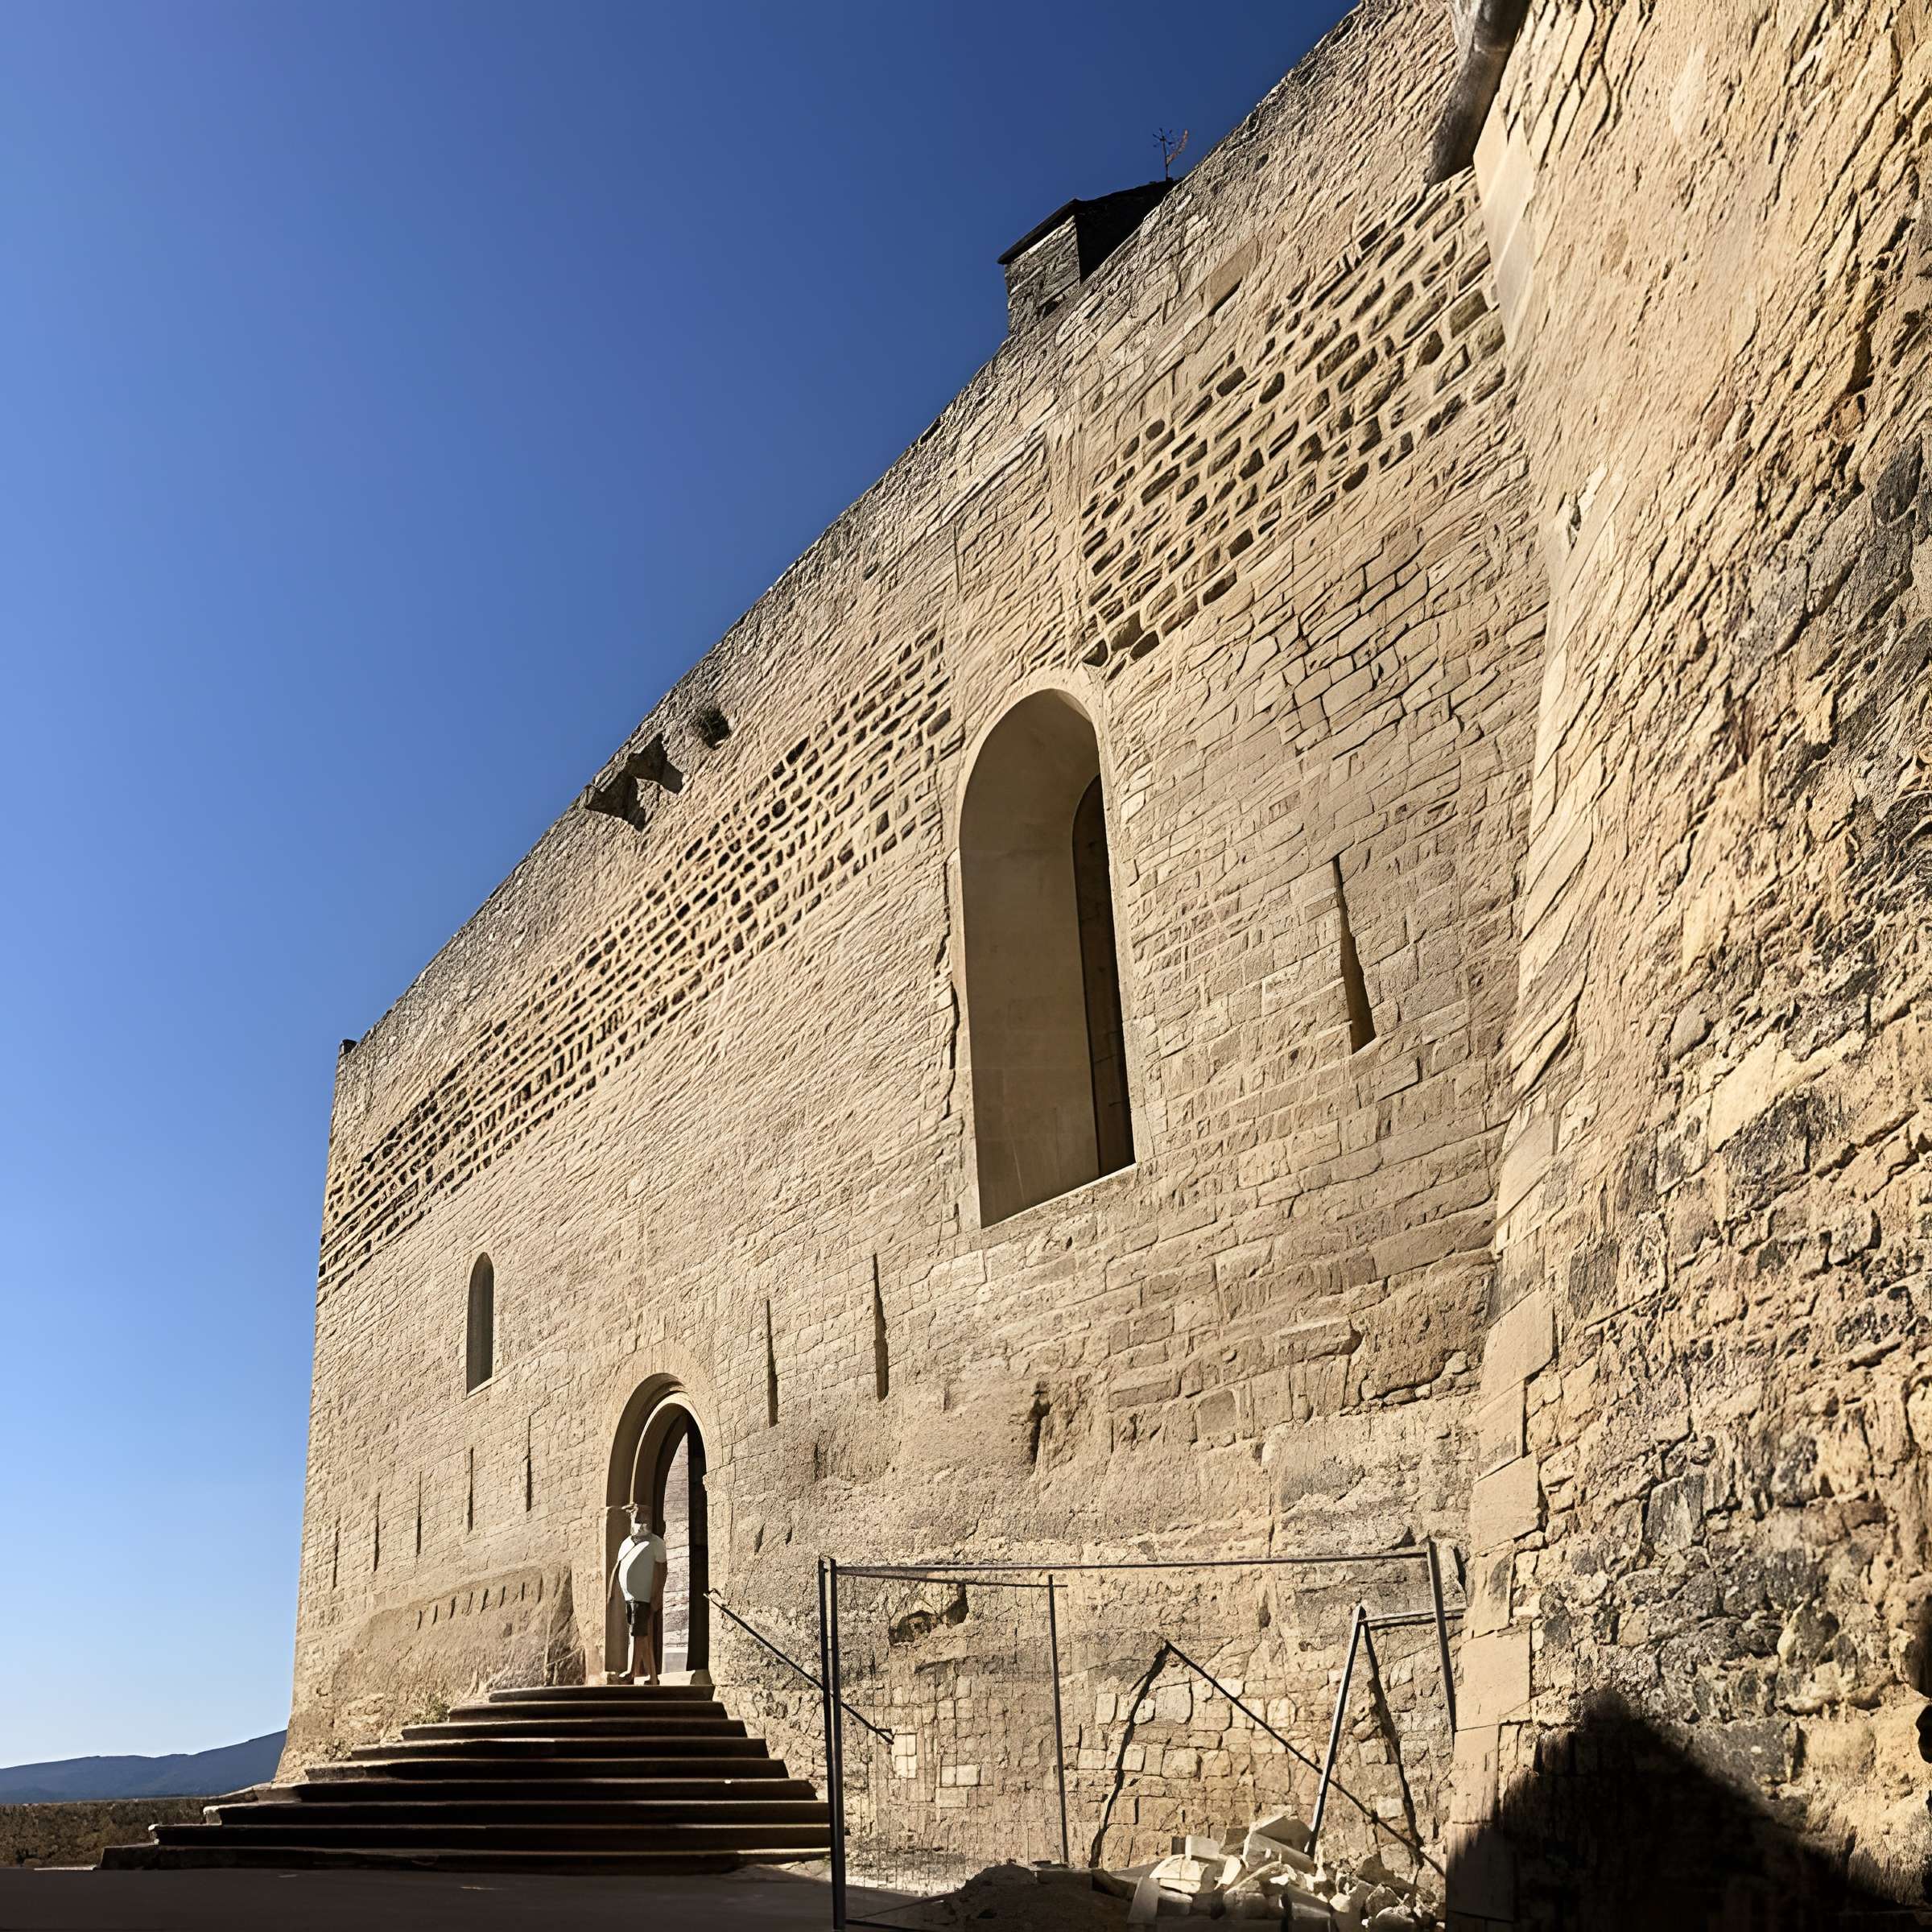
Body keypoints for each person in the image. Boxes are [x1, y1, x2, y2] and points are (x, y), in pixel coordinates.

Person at [606, 1509, 667, 1685]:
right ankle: (653, 1678)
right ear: (632, 1520)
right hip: (629, 1597)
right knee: (643, 1637)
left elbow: (662, 1571)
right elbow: (618, 1566)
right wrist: (611, 1592)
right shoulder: (626, 1543)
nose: (642, 1523)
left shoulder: (656, 1543)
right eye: (638, 1519)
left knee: (638, 1635)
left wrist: (657, 1595)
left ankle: (632, 1673)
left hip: (644, 1597)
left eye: (645, 1519)